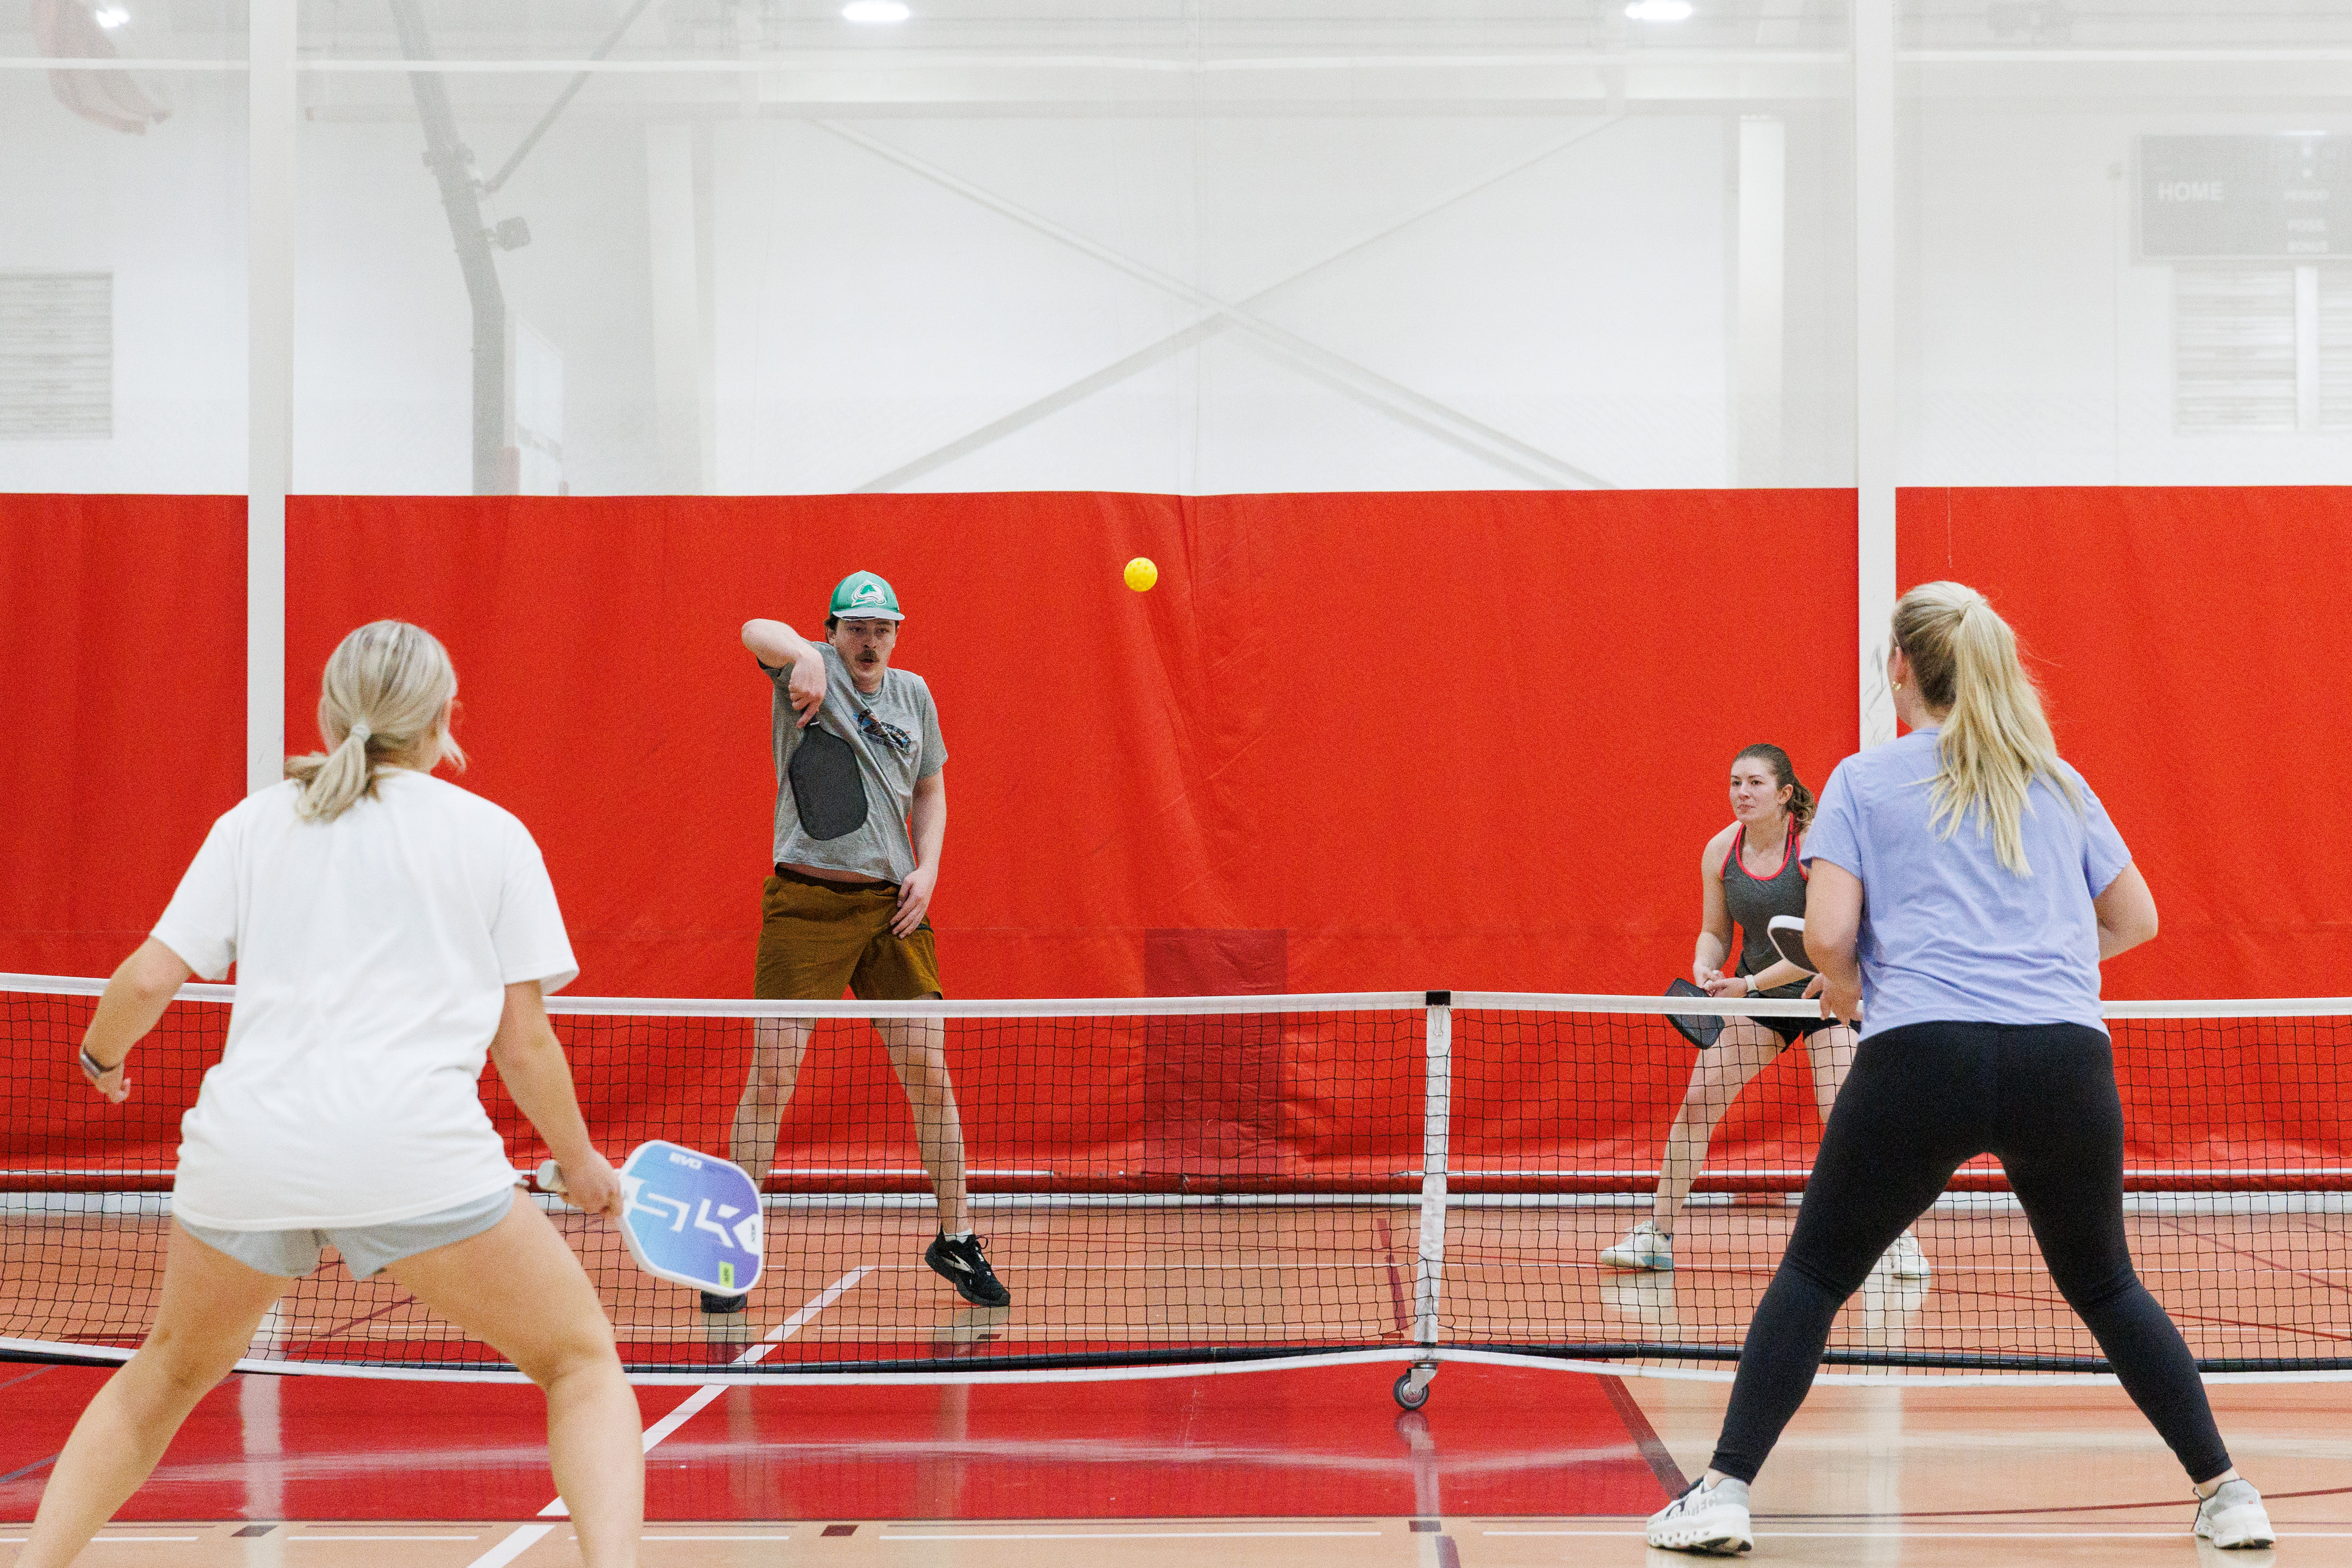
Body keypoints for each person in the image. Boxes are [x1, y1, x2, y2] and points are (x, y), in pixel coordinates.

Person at [1647, 583, 2272, 1556]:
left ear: (1899, 667)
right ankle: (2226, 1493)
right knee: (2105, 1284)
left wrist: (1852, 985)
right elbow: (2133, 919)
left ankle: (1722, 1490)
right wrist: (2036, 963)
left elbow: (1826, 935)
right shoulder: (2058, 781)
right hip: (2061, 1062)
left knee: (1814, 1272)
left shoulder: (1862, 779)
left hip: (1921, 1056)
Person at [23, 621, 643, 1568]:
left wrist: (102, 1059)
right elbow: (523, 1043)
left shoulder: (257, 820)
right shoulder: (492, 836)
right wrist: (581, 1162)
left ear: (327, 709)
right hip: (414, 1157)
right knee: (579, 1362)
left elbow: (146, 980)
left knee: (164, 1376)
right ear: (444, 718)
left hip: (249, 1155)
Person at [727, 569, 1009, 1313]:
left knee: (930, 1074)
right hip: (808, 905)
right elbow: (756, 629)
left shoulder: (913, 693)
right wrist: (805, 656)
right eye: (856, 627)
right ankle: (730, 1243)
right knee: (772, 1076)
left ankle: (956, 1237)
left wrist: (929, 868)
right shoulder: (801, 670)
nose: (871, 639)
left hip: (895, 909)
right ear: (833, 630)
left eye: (883, 627)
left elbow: (932, 788)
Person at [1601, 745, 1927, 1282]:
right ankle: (1654, 1236)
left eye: (1754, 783)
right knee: (1698, 1102)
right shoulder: (1720, 851)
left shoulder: (1817, 846)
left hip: (1828, 992)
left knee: (1845, 1119)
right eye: (1734, 783)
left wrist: (1747, 983)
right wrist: (1706, 965)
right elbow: (1716, 929)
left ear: (1783, 794)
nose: (1741, 793)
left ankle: (1896, 1240)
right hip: (1763, 1002)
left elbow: (1824, 943)